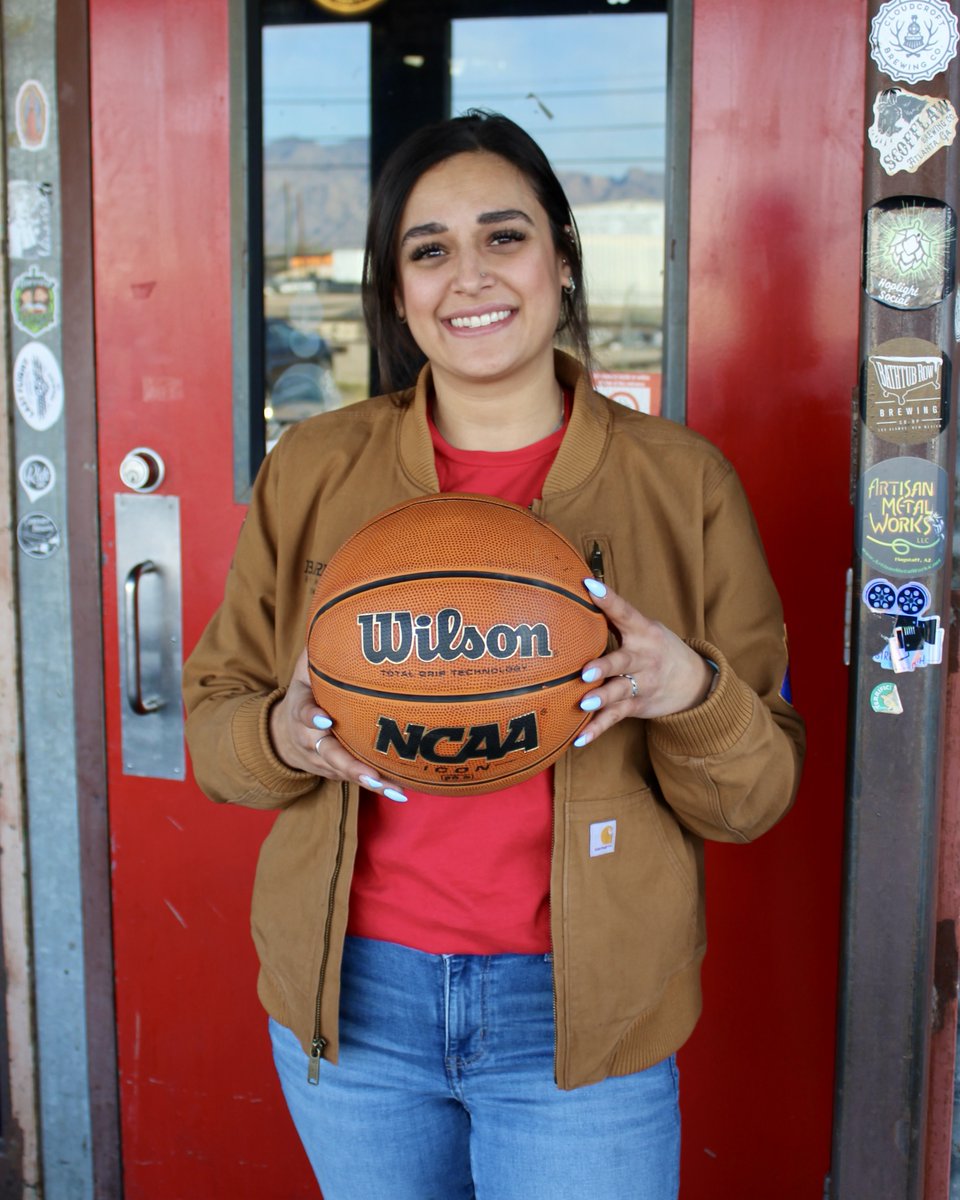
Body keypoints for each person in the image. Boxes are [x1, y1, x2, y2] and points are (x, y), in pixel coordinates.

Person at [182, 110, 805, 1200]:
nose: (469, 276)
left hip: (581, 1017)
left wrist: (690, 688)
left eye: (503, 236)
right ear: (396, 291)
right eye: (429, 250)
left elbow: (755, 797)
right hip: (354, 1003)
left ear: (562, 262)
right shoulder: (317, 470)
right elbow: (216, 732)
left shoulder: (681, 483)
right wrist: (279, 733)